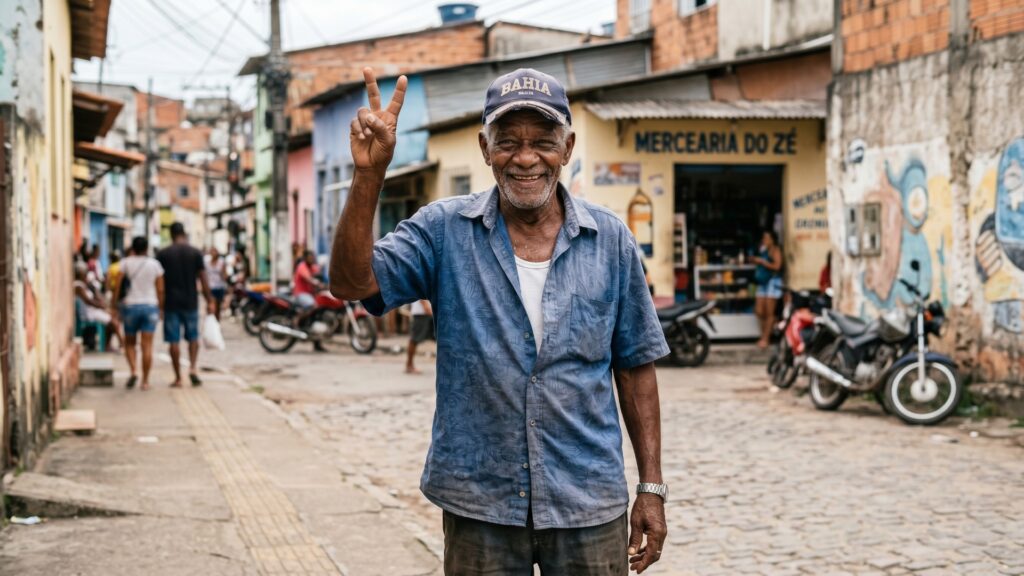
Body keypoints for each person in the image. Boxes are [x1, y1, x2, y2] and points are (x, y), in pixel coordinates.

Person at [331, 67, 669, 575]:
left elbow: (635, 368)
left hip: (588, 501)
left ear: (568, 147)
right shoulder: (443, 231)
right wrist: (369, 175)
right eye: (508, 141)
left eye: (543, 141)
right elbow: (352, 284)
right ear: (485, 148)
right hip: (479, 501)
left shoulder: (611, 241)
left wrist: (651, 487)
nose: (526, 158)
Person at [157, 222, 215, 388]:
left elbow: (159, 283)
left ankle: (178, 378)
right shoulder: (195, 253)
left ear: (171, 234)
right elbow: (203, 279)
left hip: (171, 303)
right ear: (184, 233)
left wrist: (160, 305)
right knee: (193, 337)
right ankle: (193, 368)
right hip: (191, 302)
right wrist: (210, 300)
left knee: (173, 341)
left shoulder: (163, 254)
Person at [112, 237, 164, 391]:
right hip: (150, 306)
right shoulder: (155, 265)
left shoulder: (125, 263)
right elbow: (160, 289)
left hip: (130, 306)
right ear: (146, 248)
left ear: (133, 248)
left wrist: (114, 305)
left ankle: (134, 370)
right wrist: (161, 308)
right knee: (147, 346)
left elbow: (117, 286)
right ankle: (145, 381)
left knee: (129, 343)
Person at [74, 263, 119, 352]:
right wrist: (101, 306)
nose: (86, 275)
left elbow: (94, 298)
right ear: (80, 274)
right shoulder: (78, 286)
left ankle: (108, 344)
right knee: (113, 322)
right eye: (84, 273)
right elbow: (88, 301)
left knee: (113, 318)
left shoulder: (83, 285)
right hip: (88, 314)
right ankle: (122, 344)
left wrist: (101, 305)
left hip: (91, 311)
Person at [751, 229, 784, 348]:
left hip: (773, 281)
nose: (764, 240)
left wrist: (763, 262)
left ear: (772, 239)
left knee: (770, 312)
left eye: (767, 238)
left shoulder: (776, 250)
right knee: (759, 311)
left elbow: (777, 266)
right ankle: (764, 335)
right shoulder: (763, 249)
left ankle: (766, 338)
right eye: (763, 238)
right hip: (763, 282)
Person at [293, 249, 327, 352]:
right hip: (301, 294)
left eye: (313, 257)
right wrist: (317, 284)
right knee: (314, 306)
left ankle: (317, 343)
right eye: (310, 257)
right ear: (305, 258)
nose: (312, 259)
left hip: (312, 294)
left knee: (318, 315)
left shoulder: (313, 267)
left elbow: (320, 275)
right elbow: (309, 279)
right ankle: (297, 320)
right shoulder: (302, 266)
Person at [405, 299, 433, 374]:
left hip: (427, 310)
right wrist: (425, 305)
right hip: (421, 312)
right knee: (414, 339)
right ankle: (409, 365)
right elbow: (421, 288)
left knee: (439, 338)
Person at [205, 247, 228, 320]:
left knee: (218, 308)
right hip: (210, 287)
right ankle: (210, 322)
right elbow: (204, 275)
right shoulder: (207, 262)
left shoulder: (221, 262)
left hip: (219, 287)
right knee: (211, 306)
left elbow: (225, 276)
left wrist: (222, 273)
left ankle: (216, 324)